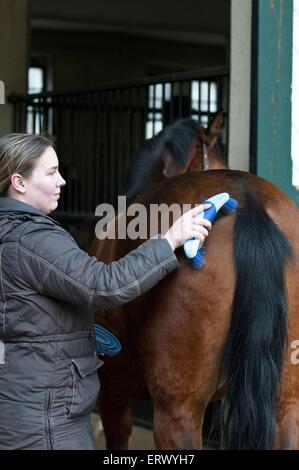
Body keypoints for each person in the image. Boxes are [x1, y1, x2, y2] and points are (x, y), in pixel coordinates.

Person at [0, 133, 212, 450]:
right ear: (19, 182)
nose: (62, 181)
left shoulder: (8, 230)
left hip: (21, 402)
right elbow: (104, 285)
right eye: (50, 172)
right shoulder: (33, 239)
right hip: (48, 419)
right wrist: (169, 240)